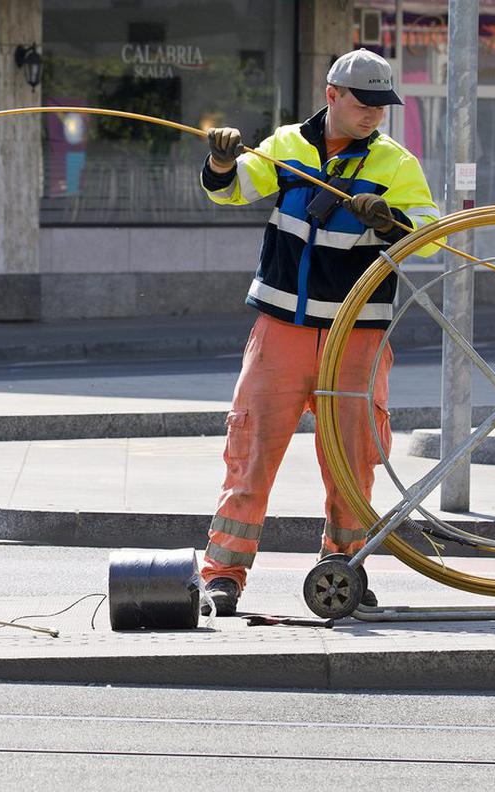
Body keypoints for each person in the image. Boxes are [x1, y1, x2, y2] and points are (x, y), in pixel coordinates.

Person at [199, 49, 439, 616]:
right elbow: (230, 191)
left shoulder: (397, 164)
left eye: (384, 105)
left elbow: (430, 234)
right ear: (332, 95)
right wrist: (220, 163)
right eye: (365, 103)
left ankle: (345, 571)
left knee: (353, 461)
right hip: (281, 329)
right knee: (252, 450)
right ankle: (223, 576)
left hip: (357, 334)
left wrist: (393, 221)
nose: (376, 115)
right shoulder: (284, 146)